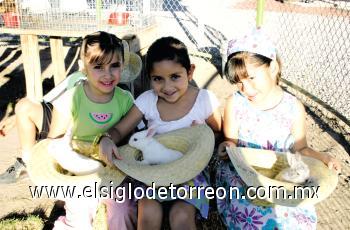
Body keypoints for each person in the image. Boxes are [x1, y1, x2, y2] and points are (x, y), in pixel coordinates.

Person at [215, 28, 341, 229]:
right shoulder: (235, 103)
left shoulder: (293, 107)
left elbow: (301, 149)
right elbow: (232, 143)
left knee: (292, 214)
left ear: (273, 67)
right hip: (246, 172)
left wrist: (324, 158)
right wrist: (226, 147)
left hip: (282, 173)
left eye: (251, 78)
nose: (246, 89)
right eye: (239, 82)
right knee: (256, 214)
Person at [98, 36, 222, 229]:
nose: (167, 87)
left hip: (191, 172)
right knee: (147, 213)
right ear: (149, 78)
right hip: (154, 172)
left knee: (181, 216)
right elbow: (119, 129)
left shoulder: (204, 100)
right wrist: (106, 139)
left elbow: (217, 131)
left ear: (190, 72)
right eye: (158, 79)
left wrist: (202, 134)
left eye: (175, 76)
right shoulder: (147, 101)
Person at [0, 72, 85, 184]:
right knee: (24, 106)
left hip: (83, 131)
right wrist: (15, 119)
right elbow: (46, 100)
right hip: (59, 123)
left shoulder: (110, 85)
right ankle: (29, 164)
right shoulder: (77, 76)